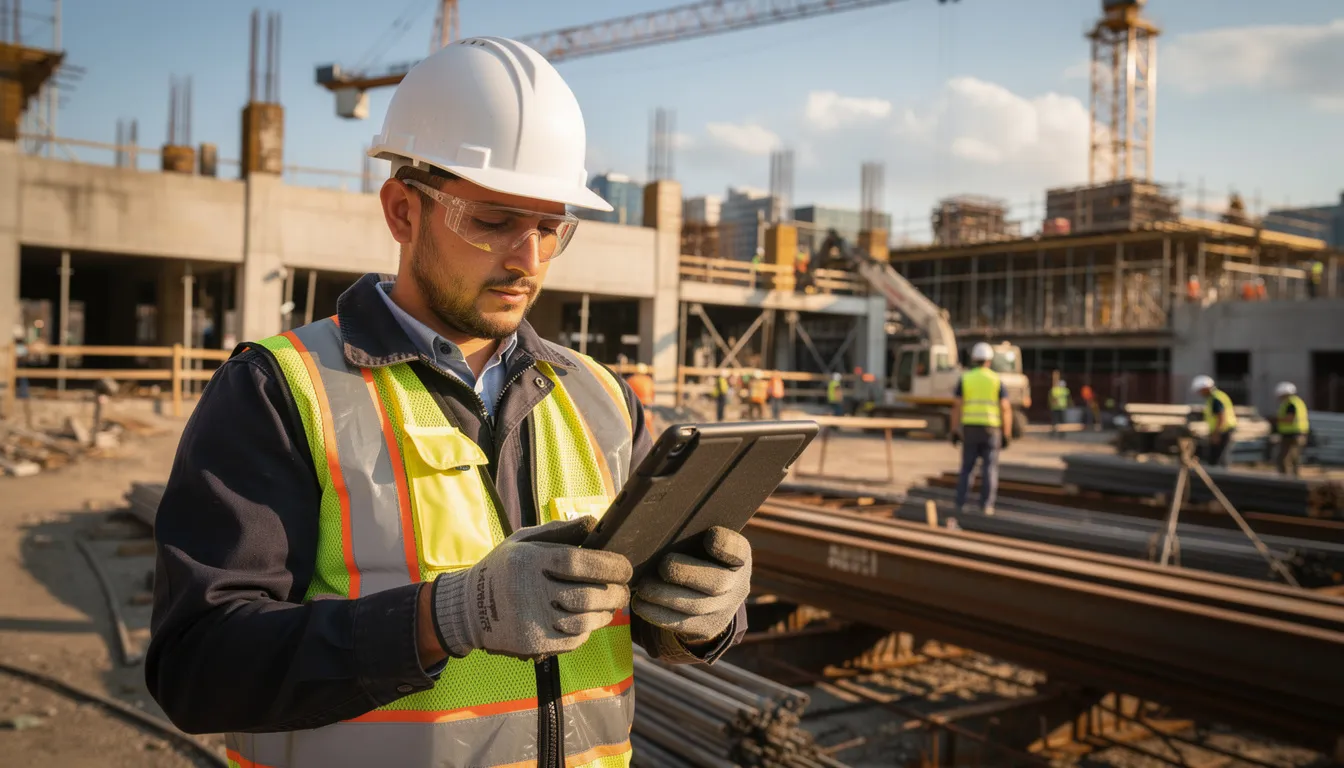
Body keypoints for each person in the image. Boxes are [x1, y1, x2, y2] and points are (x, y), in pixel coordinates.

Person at [145, 38, 750, 768]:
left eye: (550, 227)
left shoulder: (603, 399)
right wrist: (445, 618)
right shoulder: (281, 392)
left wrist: (706, 612)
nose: (527, 258)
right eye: (492, 220)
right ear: (403, 211)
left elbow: (641, 619)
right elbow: (198, 669)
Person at [951, 342, 1012, 516]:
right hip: (991, 429)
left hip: (970, 428)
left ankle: (960, 503)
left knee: (967, 468)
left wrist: (955, 429)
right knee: (990, 469)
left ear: (973, 359)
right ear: (989, 360)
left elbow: (956, 406)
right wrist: (1006, 433)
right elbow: (1005, 408)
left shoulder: (965, 378)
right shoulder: (996, 380)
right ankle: (986, 506)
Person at [1191, 374, 1237, 467]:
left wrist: (1216, 434)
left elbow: (1221, 417)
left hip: (1223, 431)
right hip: (1223, 430)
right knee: (1219, 457)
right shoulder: (1216, 397)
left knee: (1218, 458)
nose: (1200, 393)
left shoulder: (1216, 399)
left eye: (1200, 391)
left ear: (1205, 388)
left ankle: (1220, 478)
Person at [1273, 381, 1310, 476]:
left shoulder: (1290, 404)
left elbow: (1289, 419)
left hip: (1291, 435)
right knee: (1294, 459)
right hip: (1298, 434)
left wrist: (1275, 420)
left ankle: (1285, 480)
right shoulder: (1297, 402)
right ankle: (1295, 479)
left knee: (1283, 459)